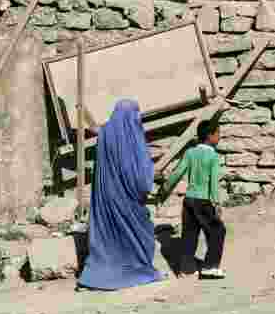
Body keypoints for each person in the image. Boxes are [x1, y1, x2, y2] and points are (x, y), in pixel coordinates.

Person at [77, 99, 164, 291]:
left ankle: (97, 275)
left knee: (107, 235)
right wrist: (148, 181)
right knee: (140, 232)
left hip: (106, 197)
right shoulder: (133, 136)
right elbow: (140, 173)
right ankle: (136, 270)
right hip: (127, 199)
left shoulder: (105, 133)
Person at [159, 119, 226, 279]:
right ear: (210, 136)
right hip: (203, 201)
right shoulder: (213, 156)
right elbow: (213, 183)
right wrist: (217, 203)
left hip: (189, 200)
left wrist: (165, 189)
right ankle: (210, 267)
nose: (219, 137)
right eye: (218, 134)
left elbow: (177, 173)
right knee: (218, 231)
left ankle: (186, 268)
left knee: (190, 234)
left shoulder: (190, 152)